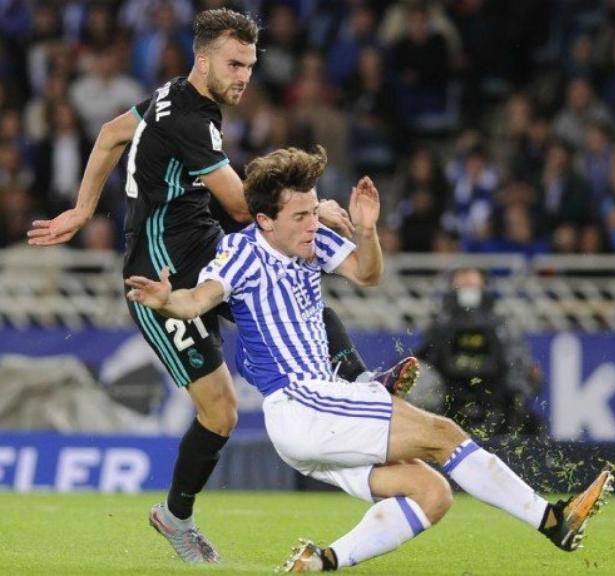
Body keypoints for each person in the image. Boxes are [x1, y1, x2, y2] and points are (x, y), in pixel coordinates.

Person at [25, 9, 416, 563]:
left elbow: (113, 134)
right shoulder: (190, 119)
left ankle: (361, 385)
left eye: (251, 66)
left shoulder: (171, 97)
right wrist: (313, 209)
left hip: (208, 253)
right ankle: (175, 517)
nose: (244, 77)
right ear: (202, 59)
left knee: (296, 290)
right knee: (222, 413)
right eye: (235, 64)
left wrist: (85, 209)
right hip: (162, 280)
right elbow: (240, 203)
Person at [125, 146, 613, 572]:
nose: (312, 223)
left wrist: (366, 230)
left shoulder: (309, 241)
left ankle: (322, 561)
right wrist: (168, 300)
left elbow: (367, 273)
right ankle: (555, 521)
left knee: (432, 493)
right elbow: (198, 300)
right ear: (264, 221)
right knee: (444, 435)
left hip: (318, 417)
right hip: (302, 403)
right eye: (300, 216)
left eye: (314, 211)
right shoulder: (241, 253)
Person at [416, 267, 543, 436]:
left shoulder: (502, 328)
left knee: (532, 423)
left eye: (472, 285)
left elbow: (519, 367)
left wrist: (521, 387)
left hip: (496, 406)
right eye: (462, 285)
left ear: (484, 288)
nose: (468, 291)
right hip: (448, 407)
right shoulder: (439, 327)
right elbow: (423, 364)